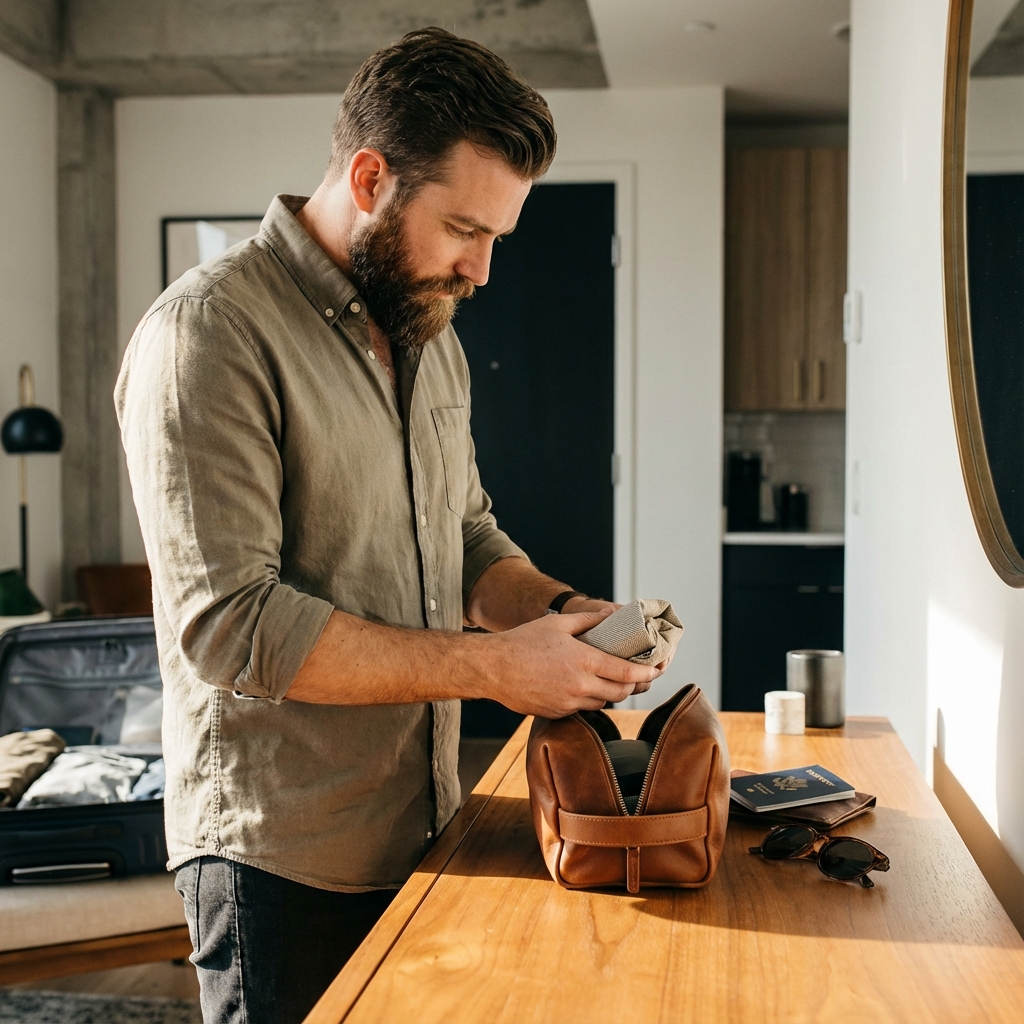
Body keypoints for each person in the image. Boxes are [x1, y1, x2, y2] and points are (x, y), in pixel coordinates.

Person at [116, 27, 664, 1024]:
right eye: (463, 228)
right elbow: (232, 625)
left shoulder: (425, 334)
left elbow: (462, 536)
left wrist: (564, 612)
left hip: (423, 820)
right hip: (279, 857)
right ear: (370, 177)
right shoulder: (208, 335)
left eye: (496, 236)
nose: (482, 269)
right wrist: (497, 669)